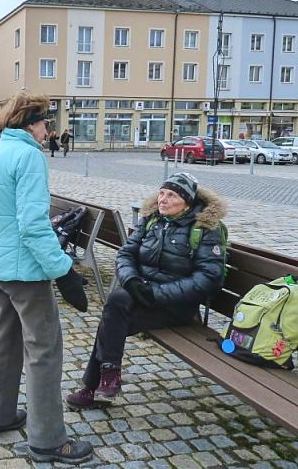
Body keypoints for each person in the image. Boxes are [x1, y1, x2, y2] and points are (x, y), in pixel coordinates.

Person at [0, 91, 93, 465]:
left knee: (2, 343)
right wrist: (64, 270)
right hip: (26, 271)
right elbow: (34, 225)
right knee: (43, 351)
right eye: (44, 123)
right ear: (30, 123)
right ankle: (47, 440)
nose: (48, 130)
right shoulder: (28, 156)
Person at [66, 172, 227, 409]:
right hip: (142, 294)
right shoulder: (153, 220)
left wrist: (156, 294)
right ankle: (107, 378)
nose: (163, 199)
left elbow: (209, 279)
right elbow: (126, 253)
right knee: (118, 299)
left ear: (188, 201)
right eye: (162, 193)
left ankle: (92, 388)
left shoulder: (204, 229)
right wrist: (131, 280)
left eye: (172, 195)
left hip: (177, 306)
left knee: (110, 322)